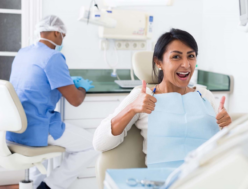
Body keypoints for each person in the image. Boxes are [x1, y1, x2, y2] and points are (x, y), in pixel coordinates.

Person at [93, 28, 232, 168]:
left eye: (191, 56)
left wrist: (226, 127)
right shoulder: (143, 96)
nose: (186, 64)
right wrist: (131, 109)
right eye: (176, 57)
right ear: (158, 62)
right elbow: (100, 143)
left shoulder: (205, 96)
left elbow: (226, 147)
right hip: (164, 181)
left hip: (207, 177)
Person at [7, 15, 99, 189]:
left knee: (37, 165)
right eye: (63, 36)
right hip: (37, 127)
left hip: (14, 129)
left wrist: (67, 81)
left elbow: (35, 82)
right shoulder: (53, 57)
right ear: (57, 33)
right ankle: (50, 186)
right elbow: (76, 100)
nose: (63, 41)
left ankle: (35, 185)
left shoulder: (23, 53)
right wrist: (83, 88)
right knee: (92, 145)